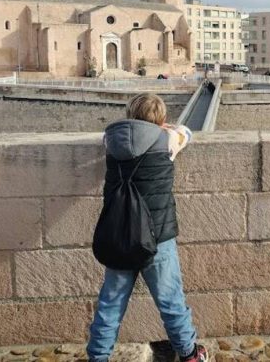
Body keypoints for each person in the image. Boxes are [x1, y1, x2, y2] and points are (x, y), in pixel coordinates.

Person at [87, 93, 207, 362]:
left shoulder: (111, 142)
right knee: (171, 303)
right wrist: (168, 128)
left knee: (110, 305)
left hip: (119, 235)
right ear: (161, 118)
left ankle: (97, 357)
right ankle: (189, 354)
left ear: (130, 115)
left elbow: (105, 137)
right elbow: (186, 132)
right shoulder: (167, 140)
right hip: (158, 237)